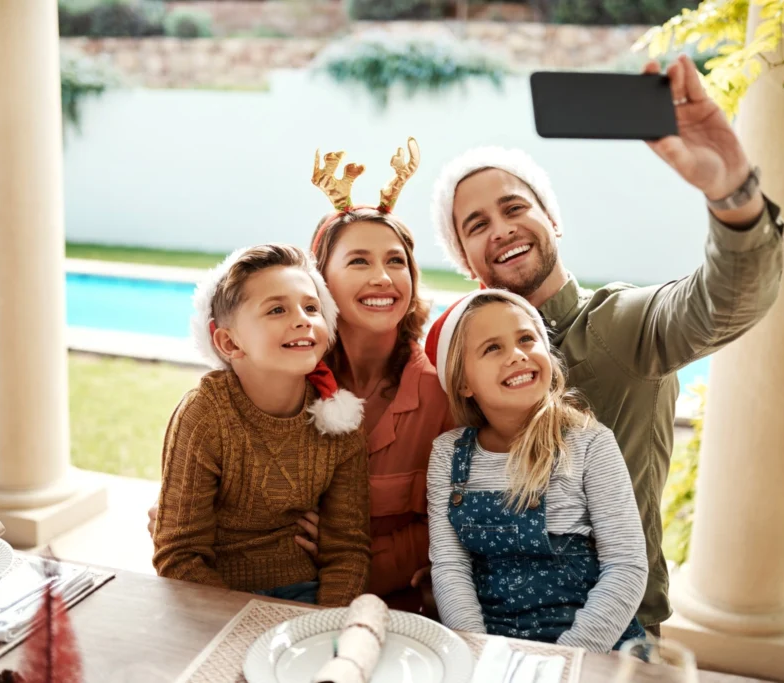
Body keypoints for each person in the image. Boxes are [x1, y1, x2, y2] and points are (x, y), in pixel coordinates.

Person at [425, 55, 784, 633]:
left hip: (617, 636)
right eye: (476, 225)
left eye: (515, 207)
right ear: (467, 262)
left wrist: (731, 190)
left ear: (553, 219)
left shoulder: (625, 325)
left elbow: (728, 299)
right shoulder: (457, 361)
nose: (501, 229)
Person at [425, 289, 647, 653]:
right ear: (463, 383)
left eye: (526, 338)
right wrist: (478, 652)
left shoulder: (590, 443)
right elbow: (450, 566)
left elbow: (626, 567)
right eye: (492, 348)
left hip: (592, 647)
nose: (516, 354)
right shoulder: (447, 453)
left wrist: (566, 660)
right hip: (490, 645)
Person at [151, 243, 370, 607]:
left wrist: (327, 623)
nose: (303, 319)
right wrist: (237, 620)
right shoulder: (205, 414)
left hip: (307, 593)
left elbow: (348, 551)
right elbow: (179, 555)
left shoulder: (339, 422)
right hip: (215, 596)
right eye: (277, 309)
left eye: (311, 307)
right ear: (229, 342)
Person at [306, 137, 455, 613]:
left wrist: (347, 560)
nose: (384, 278)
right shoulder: (289, 379)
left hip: (405, 613)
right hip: (289, 603)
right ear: (320, 279)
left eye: (396, 261)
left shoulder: (444, 390)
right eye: (359, 261)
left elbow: (459, 522)